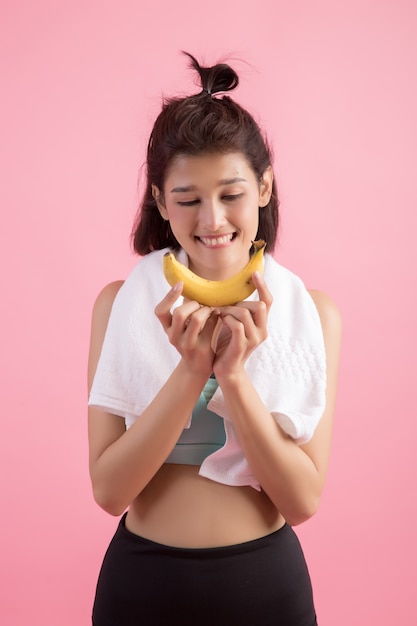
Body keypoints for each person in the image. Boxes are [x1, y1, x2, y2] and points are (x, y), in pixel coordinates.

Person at [87, 52, 342, 626]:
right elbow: (109, 491)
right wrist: (190, 370)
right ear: (159, 201)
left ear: (264, 187)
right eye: (187, 199)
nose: (212, 219)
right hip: (140, 586)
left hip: (267, 587)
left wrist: (233, 377)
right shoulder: (119, 306)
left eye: (230, 194)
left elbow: (302, 502)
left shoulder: (313, 315)